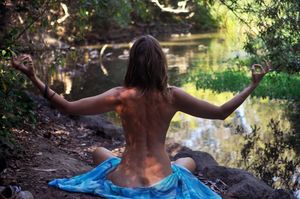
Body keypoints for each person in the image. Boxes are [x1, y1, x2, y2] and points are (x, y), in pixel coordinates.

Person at [11, 35, 270, 199]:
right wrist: (252, 85)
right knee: (187, 161)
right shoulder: (173, 96)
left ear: (132, 63)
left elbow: (67, 106)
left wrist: (32, 76)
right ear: (161, 64)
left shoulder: (120, 96)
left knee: (100, 152)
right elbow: (222, 112)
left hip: (122, 183)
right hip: (162, 184)